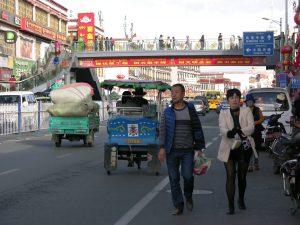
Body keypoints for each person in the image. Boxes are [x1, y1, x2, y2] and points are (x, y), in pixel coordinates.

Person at [158, 83, 206, 215]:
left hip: (187, 151)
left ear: (183, 94)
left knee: (188, 176)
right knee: (174, 179)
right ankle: (179, 205)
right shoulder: (167, 112)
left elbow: (197, 128)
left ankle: (188, 195)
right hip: (172, 151)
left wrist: (200, 147)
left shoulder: (190, 109)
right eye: (172, 92)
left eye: (177, 92)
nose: (173, 94)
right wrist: (161, 147)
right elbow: (162, 131)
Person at [217, 88, 255, 215]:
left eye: (236, 97)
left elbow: (251, 127)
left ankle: (241, 199)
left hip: (244, 148)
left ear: (240, 99)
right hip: (229, 147)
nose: (234, 99)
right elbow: (222, 128)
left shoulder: (247, 110)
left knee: (242, 177)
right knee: (230, 176)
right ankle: (231, 206)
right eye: (231, 97)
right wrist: (229, 132)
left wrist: (240, 131)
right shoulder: (223, 113)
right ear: (227, 99)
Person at [245, 93, 264, 172]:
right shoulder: (244, 110)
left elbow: (262, 118)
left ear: (253, 101)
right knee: (248, 148)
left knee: (256, 148)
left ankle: (256, 164)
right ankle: (249, 165)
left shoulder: (257, 109)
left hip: (256, 131)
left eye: (250, 101)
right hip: (247, 132)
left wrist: (255, 122)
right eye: (248, 101)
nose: (249, 102)